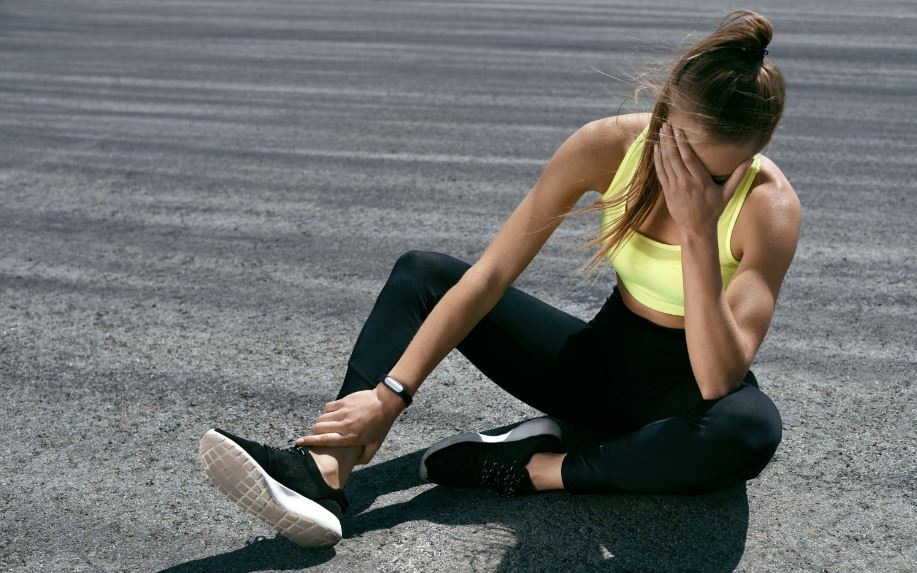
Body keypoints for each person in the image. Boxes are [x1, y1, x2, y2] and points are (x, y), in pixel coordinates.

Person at [198, 9, 801, 548]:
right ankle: (325, 471)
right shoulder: (607, 147)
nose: (695, 181)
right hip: (595, 368)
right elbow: (488, 277)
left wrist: (699, 232)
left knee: (748, 429)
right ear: (665, 111)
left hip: (685, 396)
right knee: (422, 272)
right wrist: (390, 396)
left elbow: (719, 379)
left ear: (756, 151)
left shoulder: (769, 208)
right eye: (685, 158)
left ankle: (534, 467)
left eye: (719, 174)